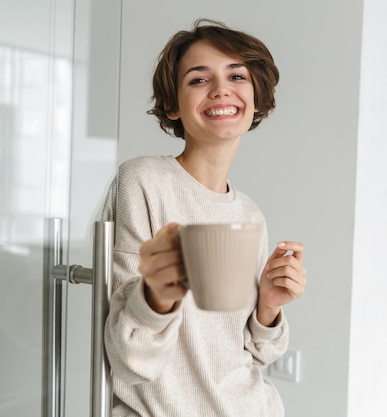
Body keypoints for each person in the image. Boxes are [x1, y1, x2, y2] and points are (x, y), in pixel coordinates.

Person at [100, 18, 307, 417]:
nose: (221, 89)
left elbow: (255, 353)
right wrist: (157, 296)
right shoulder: (144, 181)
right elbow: (130, 359)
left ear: (258, 98)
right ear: (171, 105)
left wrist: (268, 306)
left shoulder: (249, 214)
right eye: (198, 79)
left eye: (237, 75)